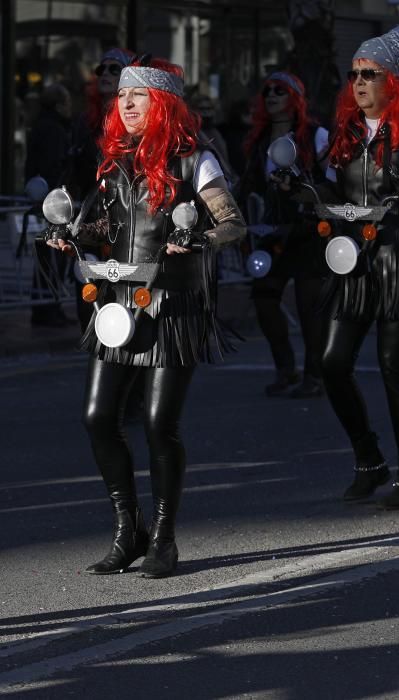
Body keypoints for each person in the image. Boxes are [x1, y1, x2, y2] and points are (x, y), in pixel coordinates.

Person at [47, 57, 246, 578]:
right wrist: (70, 235)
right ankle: (127, 528)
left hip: (173, 305)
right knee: (98, 418)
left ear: (163, 104)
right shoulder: (112, 161)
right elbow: (97, 228)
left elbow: (232, 224)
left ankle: (163, 536)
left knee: (160, 425)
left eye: (138, 96)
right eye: (121, 97)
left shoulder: (194, 159)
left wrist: (196, 237)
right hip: (116, 302)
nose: (127, 104)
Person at [286, 26, 399, 508]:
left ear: (396, 82)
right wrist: (303, 189)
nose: (359, 82)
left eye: (370, 74)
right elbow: (328, 188)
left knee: (394, 367)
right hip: (352, 262)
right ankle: (368, 457)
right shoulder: (344, 133)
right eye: (355, 74)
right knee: (332, 362)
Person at [237, 71, 329, 398]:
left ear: (295, 99)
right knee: (264, 296)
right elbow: (246, 185)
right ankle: (285, 369)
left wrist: (307, 194)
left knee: (309, 306)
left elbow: (334, 180)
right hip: (274, 231)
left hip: (309, 230)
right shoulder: (259, 139)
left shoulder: (316, 135)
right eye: (268, 92)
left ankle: (315, 376)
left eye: (280, 91)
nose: (272, 96)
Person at [68, 48, 135, 332]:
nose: (105, 74)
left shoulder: (140, 122)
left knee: (126, 303)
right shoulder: (87, 122)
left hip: (131, 223)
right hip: (91, 224)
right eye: (101, 70)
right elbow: (73, 171)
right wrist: (61, 206)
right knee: (88, 298)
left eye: (114, 69)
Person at [25, 83, 73, 327]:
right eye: (66, 102)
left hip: (47, 200)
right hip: (54, 204)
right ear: (58, 105)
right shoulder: (54, 130)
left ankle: (44, 307)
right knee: (55, 255)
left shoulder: (41, 126)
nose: (70, 107)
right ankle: (48, 308)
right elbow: (55, 166)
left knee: (48, 254)